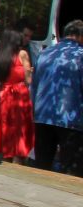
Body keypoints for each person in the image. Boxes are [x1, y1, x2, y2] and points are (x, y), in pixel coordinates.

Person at [31, 19, 83, 176]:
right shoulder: (80, 55)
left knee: (42, 163)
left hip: (43, 116)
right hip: (71, 119)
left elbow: (34, 86)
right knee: (71, 167)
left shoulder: (45, 53)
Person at [0, 29, 35, 165]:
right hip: (20, 95)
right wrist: (30, 72)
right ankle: (18, 159)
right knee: (20, 129)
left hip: (5, 96)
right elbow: (29, 80)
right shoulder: (22, 54)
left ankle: (5, 157)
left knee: (6, 128)